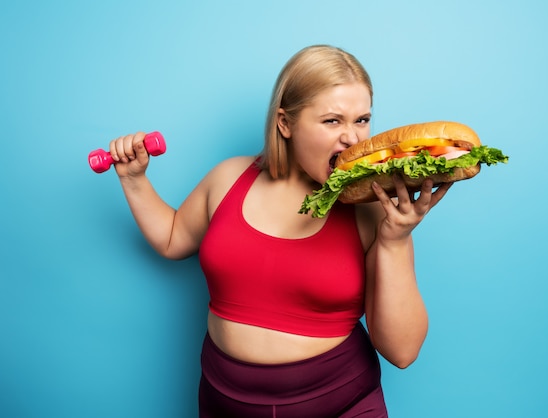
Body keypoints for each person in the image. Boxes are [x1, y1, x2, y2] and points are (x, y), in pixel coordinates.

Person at [107, 45, 451, 417]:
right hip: (223, 402)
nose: (353, 138)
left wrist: (396, 239)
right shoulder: (229, 178)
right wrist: (133, 179)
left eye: (362, 119)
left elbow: (402, 352)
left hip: (343, 405)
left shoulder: (373, 209)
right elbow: (173, 240)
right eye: (333, 121)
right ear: (285, 123)